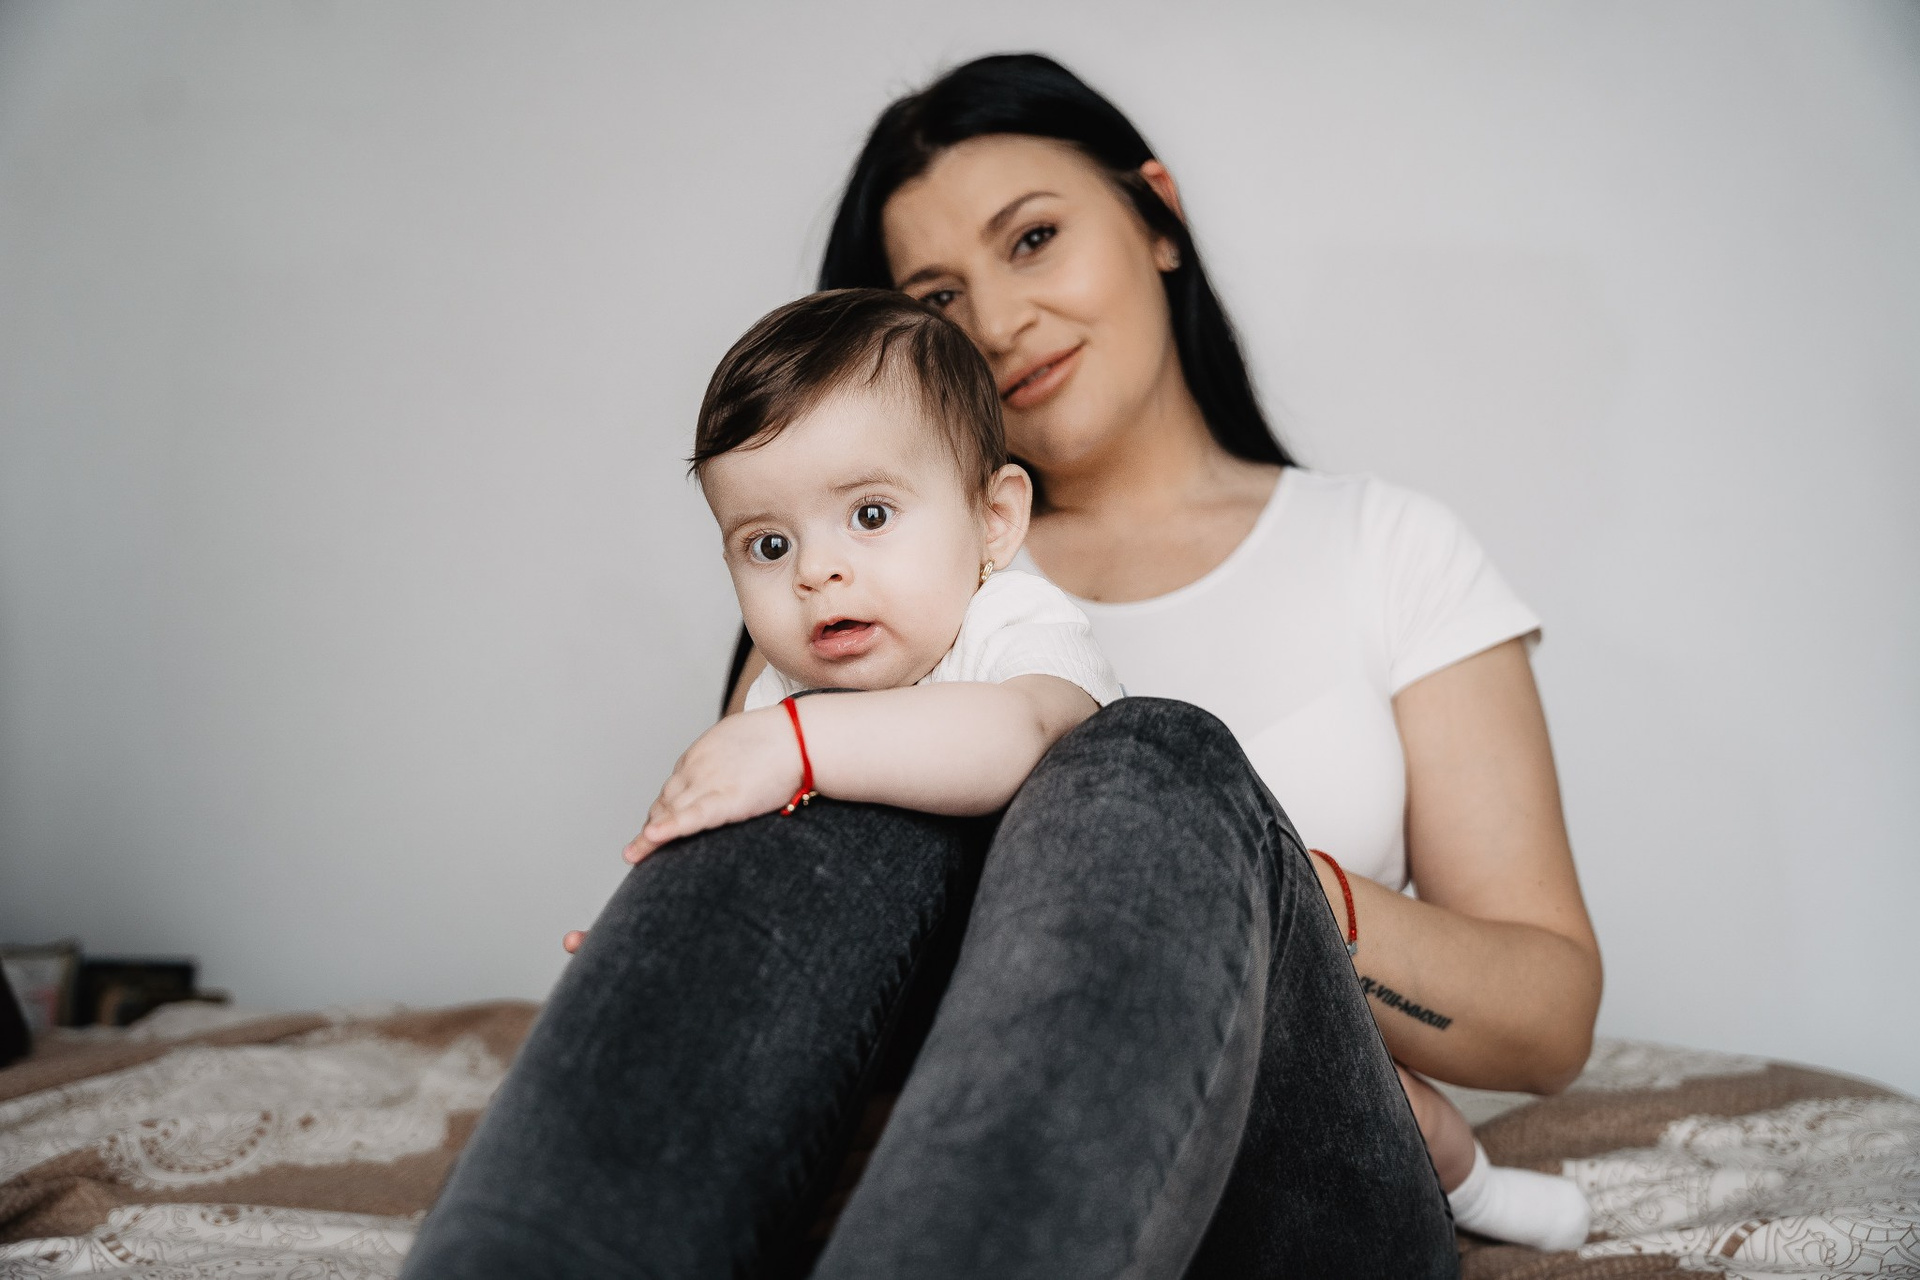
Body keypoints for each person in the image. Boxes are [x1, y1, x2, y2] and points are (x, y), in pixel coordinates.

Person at [403, 52, 1602, 1280]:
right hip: (957, 1143)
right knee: (834, 766)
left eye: (1032, 239)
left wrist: (1240, 881)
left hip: (1297, 1183)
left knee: (1141, 752)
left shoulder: (1387, 546)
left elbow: (1551, 1020)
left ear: (1158, 215)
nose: (994, 321)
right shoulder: (850, 598)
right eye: (937, 296)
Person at [625, 287, 1123, 863]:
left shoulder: (1013, 621)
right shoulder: (779, 695)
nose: (814, 570)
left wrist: (798, 745)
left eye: (870, 516)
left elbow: (1019, 737)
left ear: (993, 518)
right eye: (770, 545)